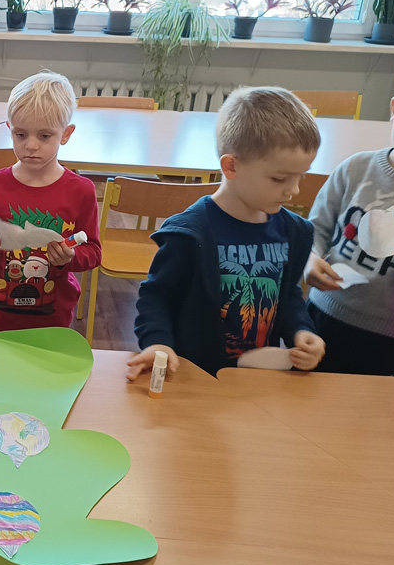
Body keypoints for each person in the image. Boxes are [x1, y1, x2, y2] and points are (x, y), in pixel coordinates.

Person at [130, 86, 326, 379]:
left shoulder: (293, 232)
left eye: (301, 176)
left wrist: (302, 330)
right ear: (231, 166)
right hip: (196, 377)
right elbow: (156, 296)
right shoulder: (190, 234)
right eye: (280, 178)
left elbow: (288, 296)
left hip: (257, 380)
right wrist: (158, 342)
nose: (294, 190)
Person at [304, 62, 394, 376]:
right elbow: (316, 228)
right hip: (320, 316)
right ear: (393, 109)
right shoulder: (355, 168)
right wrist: (310, 259)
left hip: (390, 340)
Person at [0, 72, 101, 332]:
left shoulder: (81, 190)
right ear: (10, 130)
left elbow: (93, 251)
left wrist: (70, 257)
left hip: (53, 316)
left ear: (66, 134)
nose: (31, 145)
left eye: (44, 136)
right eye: (21, 134)